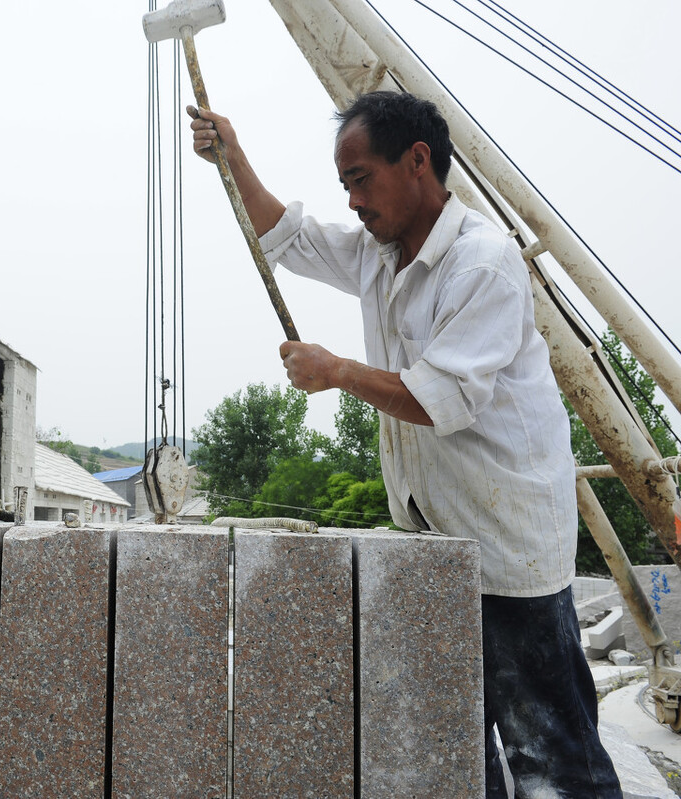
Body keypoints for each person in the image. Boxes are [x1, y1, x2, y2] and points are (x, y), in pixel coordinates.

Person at [189, 90, 621, 797]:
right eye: (345, 185)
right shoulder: (379, 255)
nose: (353, 201)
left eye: (361, 179)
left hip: (509, 549)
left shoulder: (480, 264)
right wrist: (232, 157)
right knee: (460, 745)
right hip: (439, 541)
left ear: (418, 161)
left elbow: (440, 399)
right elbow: (288, 237)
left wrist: (336, 371)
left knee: (552, 753)